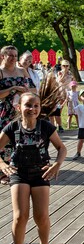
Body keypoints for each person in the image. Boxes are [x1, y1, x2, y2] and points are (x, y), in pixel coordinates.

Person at [0, 92, 66, 244]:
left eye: (36, 106)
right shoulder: (11, 128)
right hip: (19, 173)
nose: (32, 109)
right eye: (28, 105)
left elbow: (61, 148)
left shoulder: (45, 127)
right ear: (19, 107)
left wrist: (57, 165)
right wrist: (2, 164)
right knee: (20, 216)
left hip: (41, 174)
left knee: (41, 216)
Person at [0, 45, 35, 186]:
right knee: (5, 141)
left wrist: (26, 91)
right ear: (3, 56)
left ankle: (20, 168)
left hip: (21, 111)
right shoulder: (1, 72)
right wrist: (13, 88)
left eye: (15, 55)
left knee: (22, 138)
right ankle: (3, 172)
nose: (14, 58)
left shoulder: (22, 71)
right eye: (11, 55)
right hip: (5, 111)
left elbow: (33, 88)